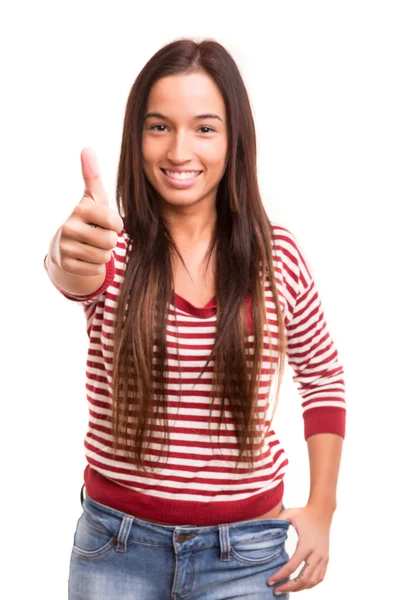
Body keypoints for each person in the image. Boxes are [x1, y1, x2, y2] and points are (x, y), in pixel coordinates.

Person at [44, 38, 346, 599]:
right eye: (159, 126)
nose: (180, 150)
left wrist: (323, 509)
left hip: (246, 556)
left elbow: (323, 376)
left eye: (204, 128)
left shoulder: (277, 258)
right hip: (116, 551)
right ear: (137, 137)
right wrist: (65, 254)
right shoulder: (112, 250)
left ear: (235, 141)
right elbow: (71, 271)